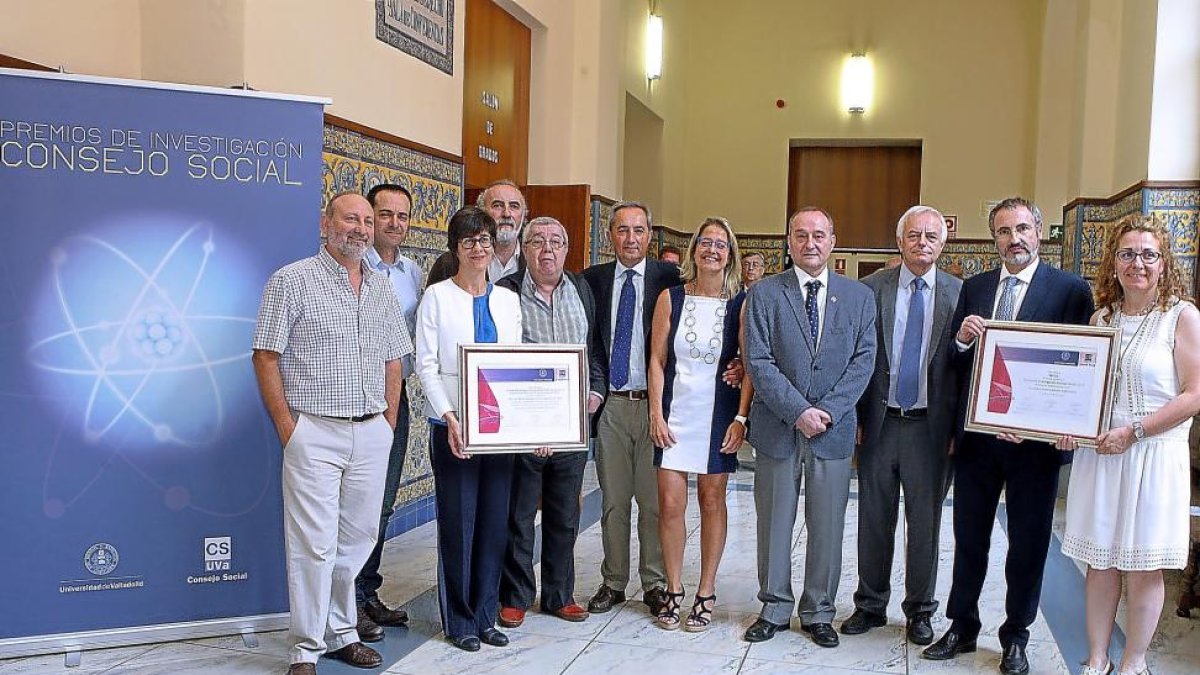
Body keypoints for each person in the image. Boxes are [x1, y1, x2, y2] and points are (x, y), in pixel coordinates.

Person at [924, 197, 1094, 675]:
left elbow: (1082, 365)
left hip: (1035, 449)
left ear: (1038, 232)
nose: (1013, 239)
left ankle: (1016, 635)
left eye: (1022, 228)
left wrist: (1067, 427)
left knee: (1028, 544)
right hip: (979, 440)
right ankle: (961, 626)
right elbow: (957, 365)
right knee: (969, 538)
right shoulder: (975, 287)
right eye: (1003, 231)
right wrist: (961, 340)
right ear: (993, 237)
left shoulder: (1069, 289)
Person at [252, 192, 412, 674]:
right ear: (327, 223)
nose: (361, 229)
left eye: (368, 221)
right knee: (313, 544)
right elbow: (265, 355)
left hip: (370, 432)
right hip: (313, 432)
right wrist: (288, 427)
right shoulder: (292, 280)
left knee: (357, 539)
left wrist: (387, 422)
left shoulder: (381, 287)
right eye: (351, 219)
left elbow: (393, 359)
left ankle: (341, 632)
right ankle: (304, 649)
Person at [1056, 214, 1200, 675]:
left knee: (1143, 565)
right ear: (1113, 262)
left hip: (1154, 454)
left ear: (1163, 262)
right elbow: (1085, 389)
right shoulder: (1103, 317)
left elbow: (1194, 394)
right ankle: (1097, 657)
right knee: (1101, 560)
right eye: (1127, 254)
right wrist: (1069, 426)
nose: (1138, 263)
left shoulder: (1182, 315)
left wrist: (1135, 431)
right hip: (1103, 454)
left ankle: (1133, 661)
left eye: (1148, 254)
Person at [742, 207, 877, 648]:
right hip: (779, 429)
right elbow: (758, 360)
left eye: (819, 234)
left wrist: (829, 411)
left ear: (833, 240)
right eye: (801, 235)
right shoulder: (763, 294)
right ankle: (775, 606)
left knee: (827, 526)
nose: (810, 243)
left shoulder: (859, 298)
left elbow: (863, 362)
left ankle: (819, 610)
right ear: (788, 241)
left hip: (833, 433)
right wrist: (798, 410)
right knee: (775, 523)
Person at [843, 206, 962, 646]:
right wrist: (855, 415)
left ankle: (920, 611)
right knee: (874, 518)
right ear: (899, 241)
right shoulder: (870, 290)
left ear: (943, 242)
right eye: (913, 236)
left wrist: (958, 430)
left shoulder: (959, 293)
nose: (922, 243)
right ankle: (870, 604)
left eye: (931, 236)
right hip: (878, 423)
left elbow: (964, 370)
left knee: (925, 523)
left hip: (932, 429)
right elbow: (856, 359)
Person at [415, 206, 523, 652]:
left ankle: (484, 614)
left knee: (495, 524)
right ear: (455, 248)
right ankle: (459, 619)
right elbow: (425, 366)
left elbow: (517, 368)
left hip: (498, 432)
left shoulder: (508, 301)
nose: (478, 248)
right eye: (469, 241)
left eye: (485, 239)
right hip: (453, 427)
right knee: (459, 524)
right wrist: (451, 417)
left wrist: (528, 424)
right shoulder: (437, 297)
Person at [496, 217, 606, 628]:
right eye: (538, 241)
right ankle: (516, 596)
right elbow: (498, 360)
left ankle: (559, 594)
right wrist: (528, 426)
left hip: (572, 424)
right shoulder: (506, 293)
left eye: (556, 242)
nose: (547, 249)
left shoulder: (581, 290)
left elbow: (594, 348)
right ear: (524, 249)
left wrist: (596, 391)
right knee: (520, 515)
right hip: (524, 426)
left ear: (566, 249)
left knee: (564, 514)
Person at [648, 217, 754, 631]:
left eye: (721, 244)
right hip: (675, 414)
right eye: (705, 242)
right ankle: (673, 589)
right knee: (671, 505)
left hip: (718, 415)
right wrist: (655, 413)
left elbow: (747, 365)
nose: (712, 249)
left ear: (730, 255)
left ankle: (705, 591)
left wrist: (741, 418)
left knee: (712, 502)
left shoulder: (740, 303)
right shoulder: (669, 298)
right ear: (693, 250)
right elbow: (656, 361)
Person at [581, 201, 680, 616]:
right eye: (622, 230)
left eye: (639, 230)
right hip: (613, 407)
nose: (631, 238)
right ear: (610, 236)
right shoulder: (593, 280)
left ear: (650, 235)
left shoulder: (669, 278)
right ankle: (614, 581)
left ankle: (655, 583)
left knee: (654, 502)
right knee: (614, 501)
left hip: (655, 406)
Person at [353, 183, 422, 641]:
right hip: (353, 402)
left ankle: (366, 591)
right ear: (369, 217)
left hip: (396, 402)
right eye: (385, 214)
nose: (394, 223)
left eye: (402, 215)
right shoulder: (350, 269)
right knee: (353, 506)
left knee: (381, 504)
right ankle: (346, 600)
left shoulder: (413, 273)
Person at [427, 179, 526, 285]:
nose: (506, 214)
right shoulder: (449, 263)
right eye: (497, 205)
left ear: (523, 214)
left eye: (514, 206)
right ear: (481, 212)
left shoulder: (535, 262)